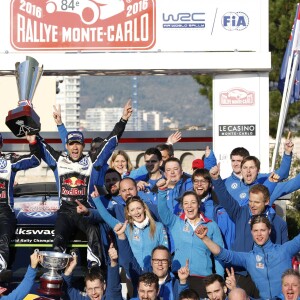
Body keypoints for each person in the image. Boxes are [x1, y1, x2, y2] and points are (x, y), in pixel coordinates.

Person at [33, 101, 132, 267]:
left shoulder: (91, 161)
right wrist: (32, 127)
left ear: (83, 146)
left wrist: (123, 120)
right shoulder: (59, 160)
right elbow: (41, 144)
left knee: (93, 231)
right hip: (65, 210)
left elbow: (110, 143)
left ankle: (95, 269)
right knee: (58, 238)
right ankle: (56, 274)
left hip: (85, 209)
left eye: (78, 144)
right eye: (71, 144)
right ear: (67, 146)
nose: (75, 148)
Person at [209, 164, 287, 298]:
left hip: (265, 275)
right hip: (241, 273)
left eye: (256, 202)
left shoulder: (278, 223)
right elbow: (226, 198)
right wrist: (216, 179)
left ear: (267, 202)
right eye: (250, 201)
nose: (252, 205)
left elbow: (284, 252)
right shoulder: (240, 213)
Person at [195, 215, 300, 299]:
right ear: (251, 233)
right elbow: (223, 254)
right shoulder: (249, 258)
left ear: (269, 230)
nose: (259, 234)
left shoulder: (284, 250)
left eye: (262, 230)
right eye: (255, 231)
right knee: (236, 295)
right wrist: (205, 238)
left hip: (287, 298)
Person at [157, 178, 224, 298]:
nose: (189, 206)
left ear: (198, 204)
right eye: (186, 203)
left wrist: (220, 279)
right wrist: (162, 191)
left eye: (193, 202)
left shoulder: (211, 225)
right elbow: (163, 211)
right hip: (180, 276)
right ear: (182, 206)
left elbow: (220, 254)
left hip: (204, 278)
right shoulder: (176, 222)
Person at [92, 187, 168, 270]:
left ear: (144, 209)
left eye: (139, 208)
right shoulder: (126, 227)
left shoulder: (158, 226)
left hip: (154, 272)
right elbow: (107, 217)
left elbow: (164, 250)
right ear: (129, 213)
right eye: (132, 210)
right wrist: (97, 200)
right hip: (134, 272)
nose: (136, 212)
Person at [114, 221, 189, 300]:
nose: (160, 264)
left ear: (169, 263)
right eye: (156, 260)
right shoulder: (141, 278)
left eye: (163, 260)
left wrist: (183, 282)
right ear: (151, 262)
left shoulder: (176, 284)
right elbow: (128, 260)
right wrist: (121, 235)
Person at [0, 133, 40, 272]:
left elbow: (35, 160)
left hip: (4, 210)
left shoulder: (9, 161)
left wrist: (33, 142)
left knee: (3, 238)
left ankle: (1, 269)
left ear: (1, 145)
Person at [192, 168, 235, 249]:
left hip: (215, 250)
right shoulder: (186, 204)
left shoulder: (218, 205)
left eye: (203, 181)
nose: (199, 184)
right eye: (196, 181)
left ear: (210, 184)